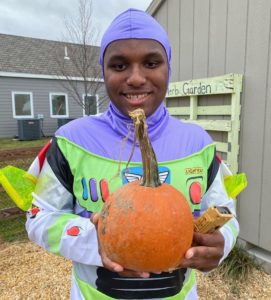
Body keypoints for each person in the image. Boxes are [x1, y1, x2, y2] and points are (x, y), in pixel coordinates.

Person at [26, 8, 239, 300]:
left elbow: (227, 213)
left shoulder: (198, 143)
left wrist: (221, 244)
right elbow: (38, 217)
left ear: (169, 67)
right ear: (104, 71)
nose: (136, 78)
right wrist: (97, 241)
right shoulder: (71, 141)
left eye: (151, 62)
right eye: (119, 65)